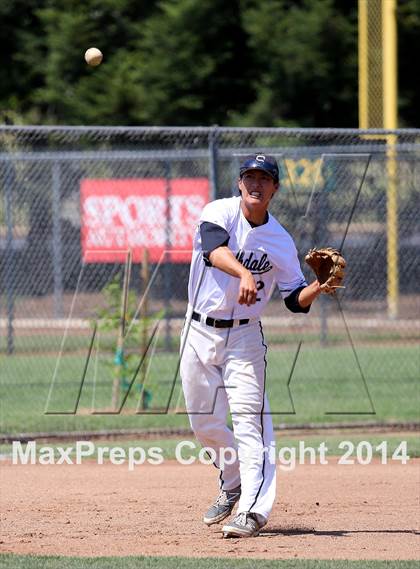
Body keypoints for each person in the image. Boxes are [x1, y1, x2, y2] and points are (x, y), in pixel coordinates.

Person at [180, 154, 322, 538]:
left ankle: (253, 511)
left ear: (275, 188)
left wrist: (318, 288)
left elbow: (294, 299)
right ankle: (233, 480)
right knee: (203, 422)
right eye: (249, 177)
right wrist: (243, 271)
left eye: (264, 178)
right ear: (240, 183)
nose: (256, 184)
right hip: (198, 331)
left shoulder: (280, 239)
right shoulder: (218, 212)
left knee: (249, 420)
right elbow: (213, 249)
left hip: (244, 336)